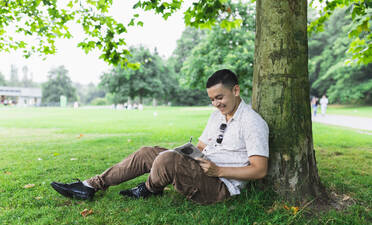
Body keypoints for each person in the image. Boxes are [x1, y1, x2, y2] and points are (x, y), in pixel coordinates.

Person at [50, 69, 269, 205]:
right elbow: (202, 146)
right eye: (212, 99)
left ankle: (149, 189)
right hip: (202, 168)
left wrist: (218, 170)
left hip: (219, 185)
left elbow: (259, 169)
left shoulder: (252, 122)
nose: (216, 104)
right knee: (148, 152)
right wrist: (185, 154)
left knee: (166, 159)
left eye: (219, 97)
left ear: (237, 90)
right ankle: (89, 186)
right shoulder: (217, 116)